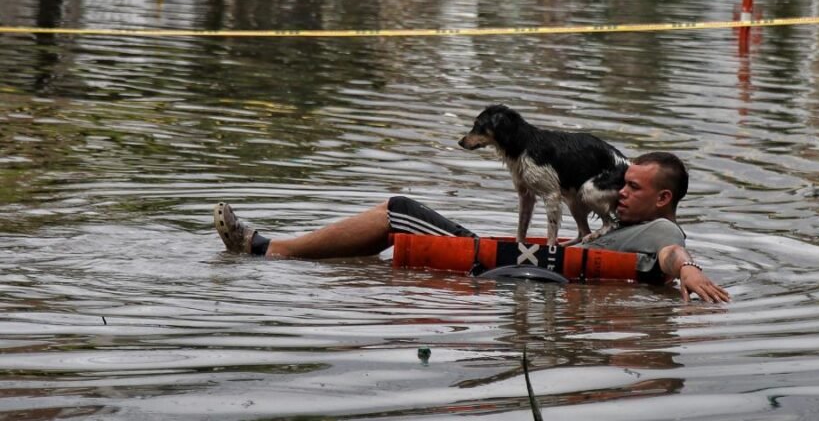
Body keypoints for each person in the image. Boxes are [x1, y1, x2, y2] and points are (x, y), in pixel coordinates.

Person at [213, 152, 731, 303]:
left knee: (397, 208)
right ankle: (284, 253)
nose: (619, 191)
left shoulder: (662, 232)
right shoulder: (630, 224)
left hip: (504, 272)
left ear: (664, 199)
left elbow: (673, 255)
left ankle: (267, 250)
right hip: (519, 264)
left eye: (633, 188)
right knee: (401, 221)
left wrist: (688, 271)